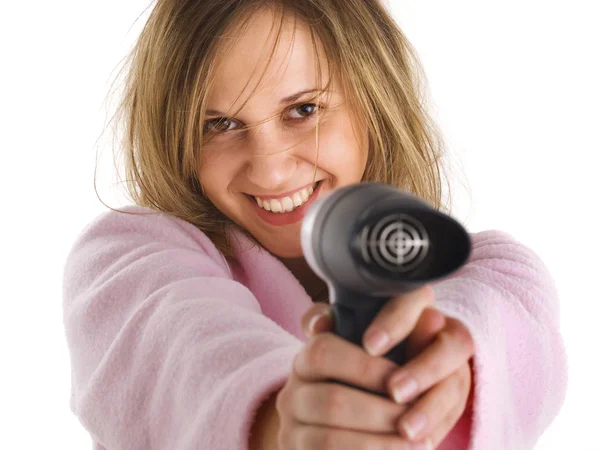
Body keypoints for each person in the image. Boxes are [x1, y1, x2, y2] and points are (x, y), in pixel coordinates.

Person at [62, 1, 568, 449]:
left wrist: (442, 364)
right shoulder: (125, 261)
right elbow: (182, 348)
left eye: (303, 110)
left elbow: (500, 322)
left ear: (375, 101)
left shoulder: (499, 274)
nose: (271, 170)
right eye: (220, 125)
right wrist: (285, 422)